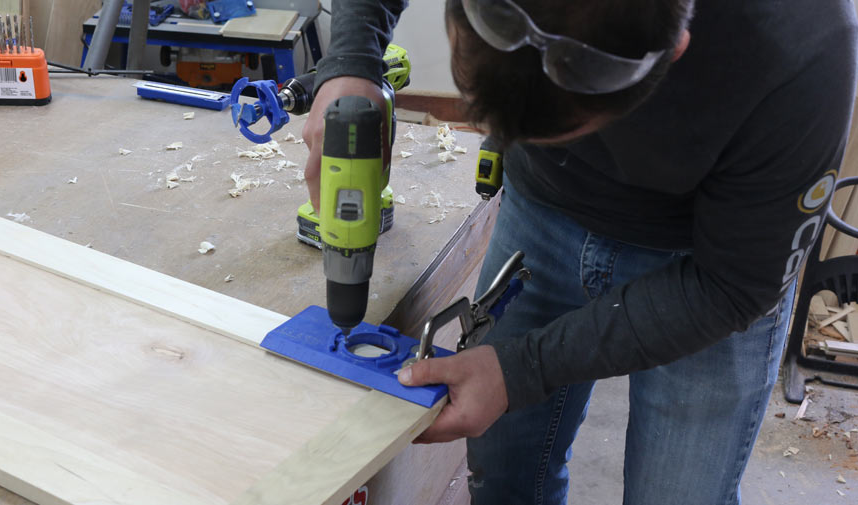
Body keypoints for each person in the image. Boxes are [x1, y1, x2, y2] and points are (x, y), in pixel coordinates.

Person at [302, 0, 858, 503]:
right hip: (541, 213)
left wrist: (523, 367)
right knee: (502, 475)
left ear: (673, 52)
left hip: (709, 264)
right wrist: (352, 65)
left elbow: (735, 284)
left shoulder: (807, 39)